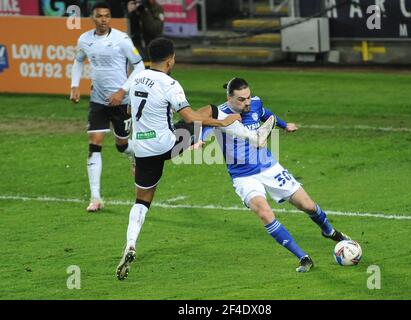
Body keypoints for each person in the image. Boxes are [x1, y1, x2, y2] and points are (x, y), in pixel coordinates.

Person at [115, 38, 276, 280]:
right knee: (210, 110)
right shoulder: (171, 84)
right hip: (168, 144)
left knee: (142, 201)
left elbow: (130, 111)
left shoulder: (136, 77)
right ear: (171, 60)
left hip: (143, 149)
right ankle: (255, 138)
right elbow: (190, 118)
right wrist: (222, 122)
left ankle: (130, 244)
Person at [200, 77, 352, 273]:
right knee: (264, 213)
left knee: (308, 205)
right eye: (241, 99)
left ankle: (329, 231)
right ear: (229, 98)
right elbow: (204, 126)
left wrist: (284, 124)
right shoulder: (220, 114)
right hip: (243, 177)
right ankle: (303, 258)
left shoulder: (255, 103)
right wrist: (200, 140)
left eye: (248, 97)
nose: (247, 102)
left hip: (270, 167)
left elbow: (266, 115)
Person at [70, 1, 146, 212]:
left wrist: (122, 91)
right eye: (99, 16)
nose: (103, 19)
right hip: (98, 101)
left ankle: (134, 154)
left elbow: (139, 65)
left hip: (122, 102)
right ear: (92, 18)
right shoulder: (84, 39)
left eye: (106, 16)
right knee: (95, 143)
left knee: (122, 144)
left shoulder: (121, 39)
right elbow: (78, 61)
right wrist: (74, 86)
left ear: (110, 17)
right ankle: (95, 197)